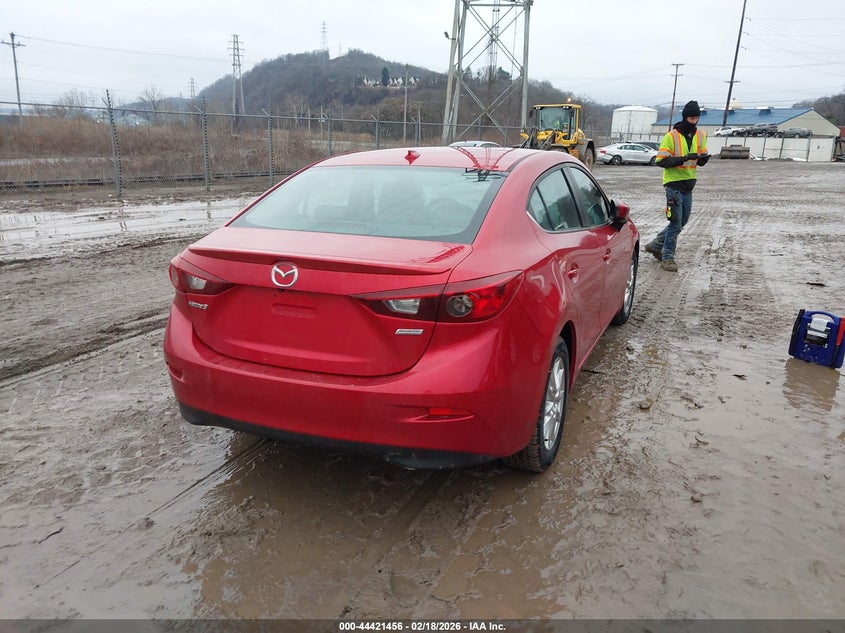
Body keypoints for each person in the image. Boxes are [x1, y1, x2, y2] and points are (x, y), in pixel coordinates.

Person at [644, 100, 710, 272]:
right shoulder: (671, 136)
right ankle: (668, 258)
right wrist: (683, 158)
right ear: (685, 117)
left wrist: (703, 159)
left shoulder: (700, 135)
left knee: (682, 221)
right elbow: (661, 161)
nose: (694, 121)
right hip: (673, 184)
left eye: (696, 118)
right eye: (691, 118)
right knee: (675, 222)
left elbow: (701, 156)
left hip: (689, 184)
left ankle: (655, 245)